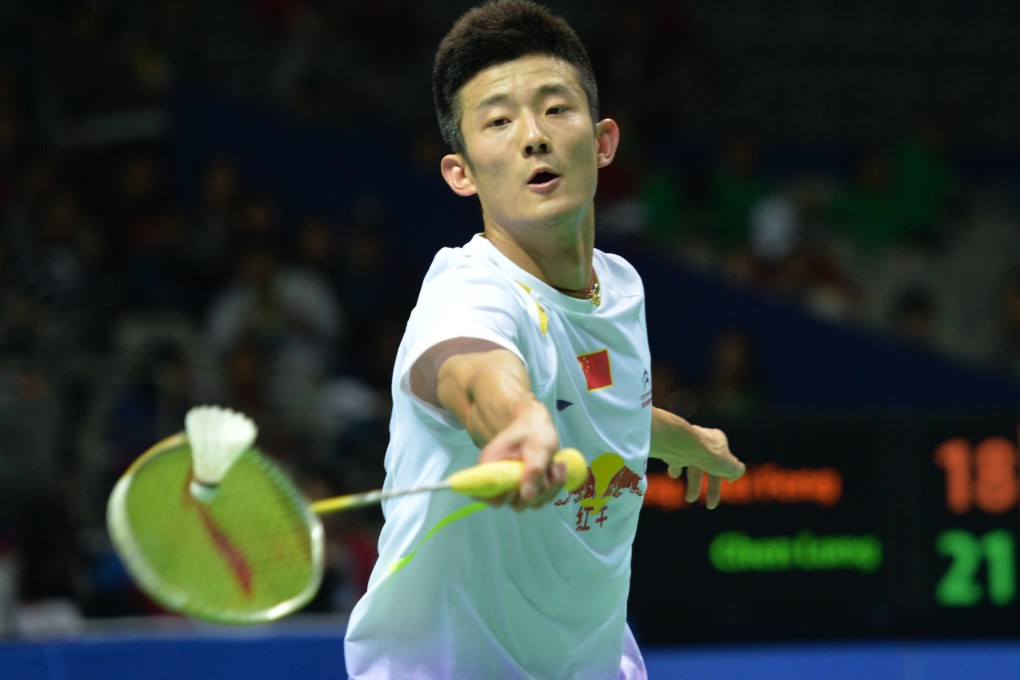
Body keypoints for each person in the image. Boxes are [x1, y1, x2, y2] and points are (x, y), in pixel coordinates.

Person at [343, 2, 746, 678]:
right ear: (460, 172)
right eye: (498, 121)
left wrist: (682, 438)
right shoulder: (467, 294)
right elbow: (474, 372)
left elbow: (593, 406)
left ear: (604, 140)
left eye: (556, 109)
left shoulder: (619, 286)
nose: (533, 136)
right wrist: (516, 426)